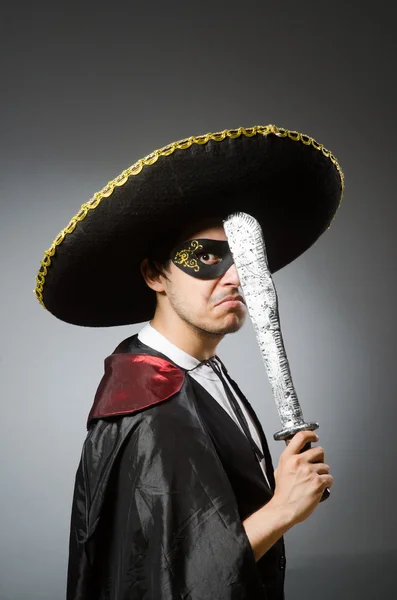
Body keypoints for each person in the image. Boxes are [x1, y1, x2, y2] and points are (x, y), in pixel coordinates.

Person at [34, 125, 343, 599]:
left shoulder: (200, 373)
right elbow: (175, 580)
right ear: (155, 274)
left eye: (242, 258)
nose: (236, 277)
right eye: (207, 258)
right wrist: (283, 508)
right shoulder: (150, 406)